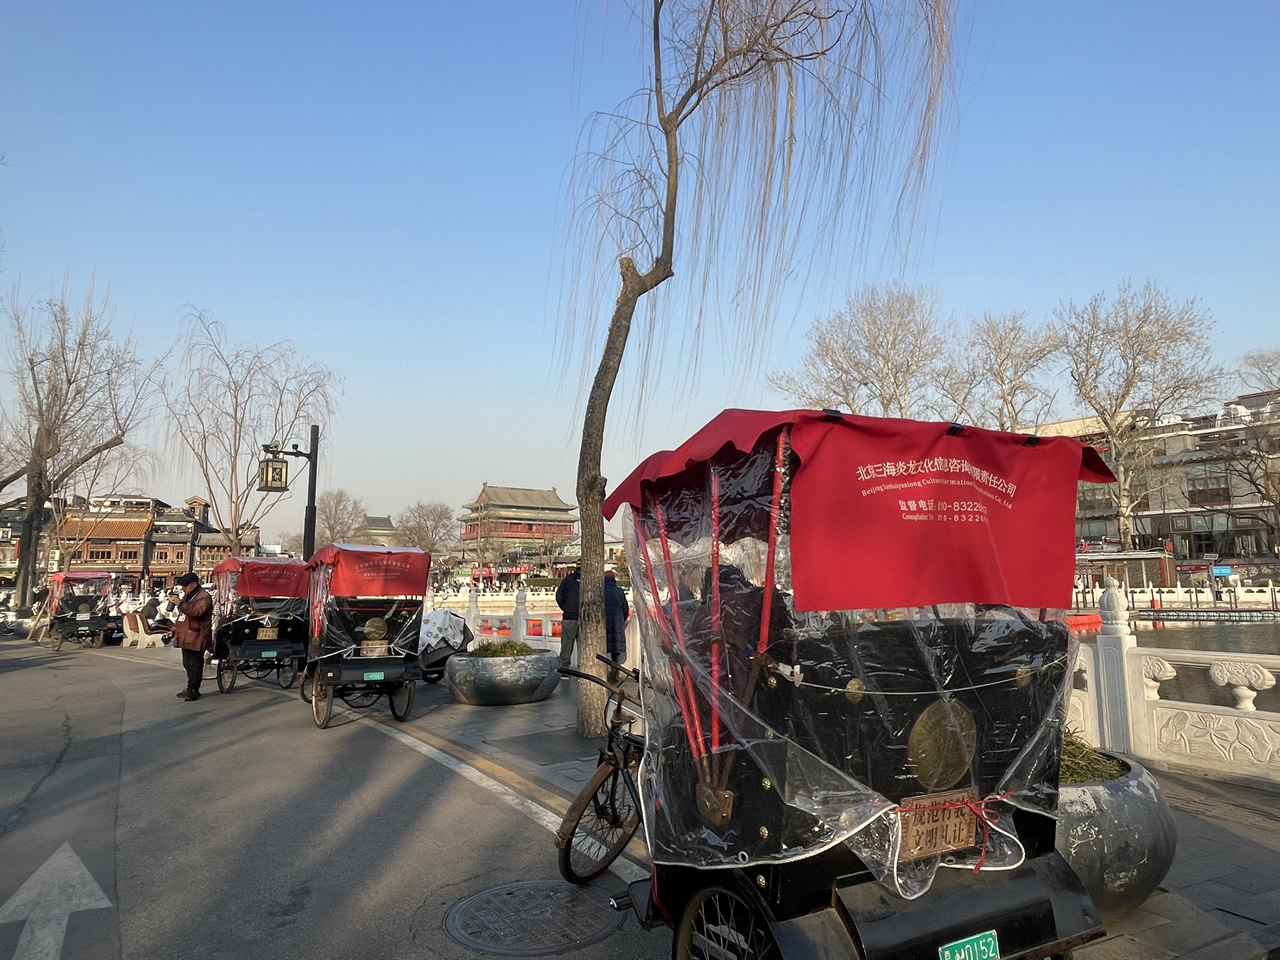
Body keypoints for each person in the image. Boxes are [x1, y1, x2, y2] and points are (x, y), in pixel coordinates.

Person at [170, 572, 213, 701]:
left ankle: (193, 690)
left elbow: (196, 612)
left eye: (185, 586)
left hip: (197, 635)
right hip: (185, 634)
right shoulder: (188, 596)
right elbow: (182, 615)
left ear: (193, 584)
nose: (183, 588)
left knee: (195, 664)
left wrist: (180, 603)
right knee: (187, 663)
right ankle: (190, 687)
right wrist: (173, 630)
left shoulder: (204, 597)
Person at [555, 562, 581, 668]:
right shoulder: (590, 580)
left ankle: (564, 669)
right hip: (585, 618)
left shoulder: (567, 580)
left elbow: (559, 596)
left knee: (566, 645)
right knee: (583, 646)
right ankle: (583, 670)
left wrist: (566, 608)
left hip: (569, 617)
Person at [603, 570, 629, 664]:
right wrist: (621, 620)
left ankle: (606, 672)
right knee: (616, 648)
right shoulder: (619, 591)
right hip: (617, 623)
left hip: (604, 623)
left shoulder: (601, 591)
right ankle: (615, 672)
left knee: (605, 648)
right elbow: (625, 609)